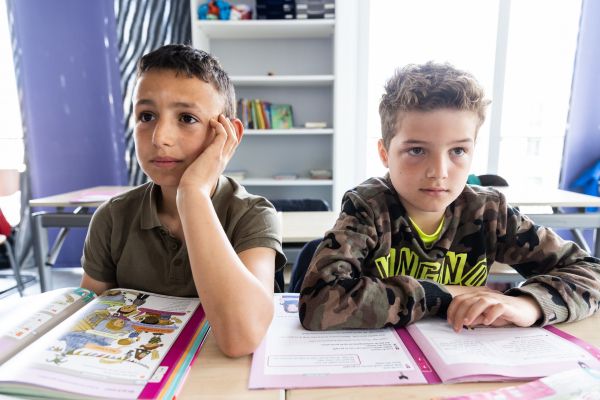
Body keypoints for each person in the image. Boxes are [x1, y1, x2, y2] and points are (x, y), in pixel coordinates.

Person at [299, 62, 600, 332]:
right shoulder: (368, 208)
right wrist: (443, 294)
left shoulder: (489, 212)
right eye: (416, 150)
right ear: (384, 154)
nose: (439, 172)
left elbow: (591, 271)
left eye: (457, 151)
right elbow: (320, 304)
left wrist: (529, 304)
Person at [80, 44, 286, 357]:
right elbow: (88, 321)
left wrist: (193, 193)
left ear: (226, 135)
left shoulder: (253, 215)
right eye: (146, 116)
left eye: (187, 118)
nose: (160, 137)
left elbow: (241, 339)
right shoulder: (112, 218)